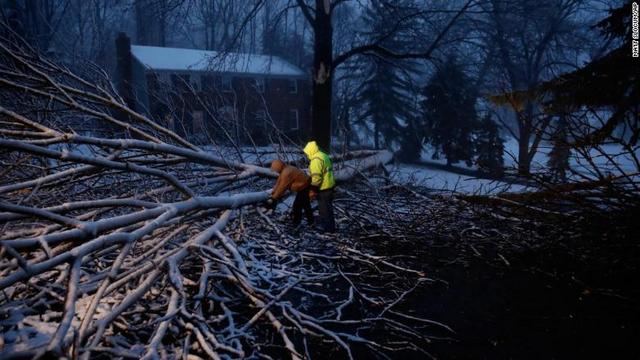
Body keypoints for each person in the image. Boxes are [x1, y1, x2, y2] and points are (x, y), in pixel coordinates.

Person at [266, 159, 314, 227]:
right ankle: (311, 222)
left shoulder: (287, 172)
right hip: (305, 185)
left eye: (275, 169)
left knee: (297, 206)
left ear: (279, 167)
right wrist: (273, 191)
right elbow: (279, 182)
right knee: (306, 205)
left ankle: (296, 223)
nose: (275, 171)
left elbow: (282, 187)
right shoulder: (286, 169)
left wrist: (273, 198)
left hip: (304, 186)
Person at [303, 141, 336, 232]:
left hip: (323, 189)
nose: (306, 154)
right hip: (330, 187)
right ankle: (331, 228)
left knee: (324, 211)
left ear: (310, 151)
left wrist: (313, 190)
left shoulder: (316, 160)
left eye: (307, 152)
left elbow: (316, 177)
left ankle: (327, 230)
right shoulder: (324, 156)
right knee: (329, 210)